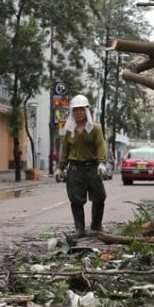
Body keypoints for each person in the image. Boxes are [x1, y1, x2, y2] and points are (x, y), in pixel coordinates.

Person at [57, 94, 108, 238]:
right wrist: (60, 167)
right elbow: (65, 151)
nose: (78, 112)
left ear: (86, 110)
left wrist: (102, 163)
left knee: (99, 197)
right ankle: (79, 229)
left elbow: (100, 146)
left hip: (92, 168)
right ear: (72, 112)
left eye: (81, 109)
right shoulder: (69, 131)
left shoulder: (95, 129)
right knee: (76, 200)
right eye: (76, 110)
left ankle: (96, 226)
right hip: (75, 169)